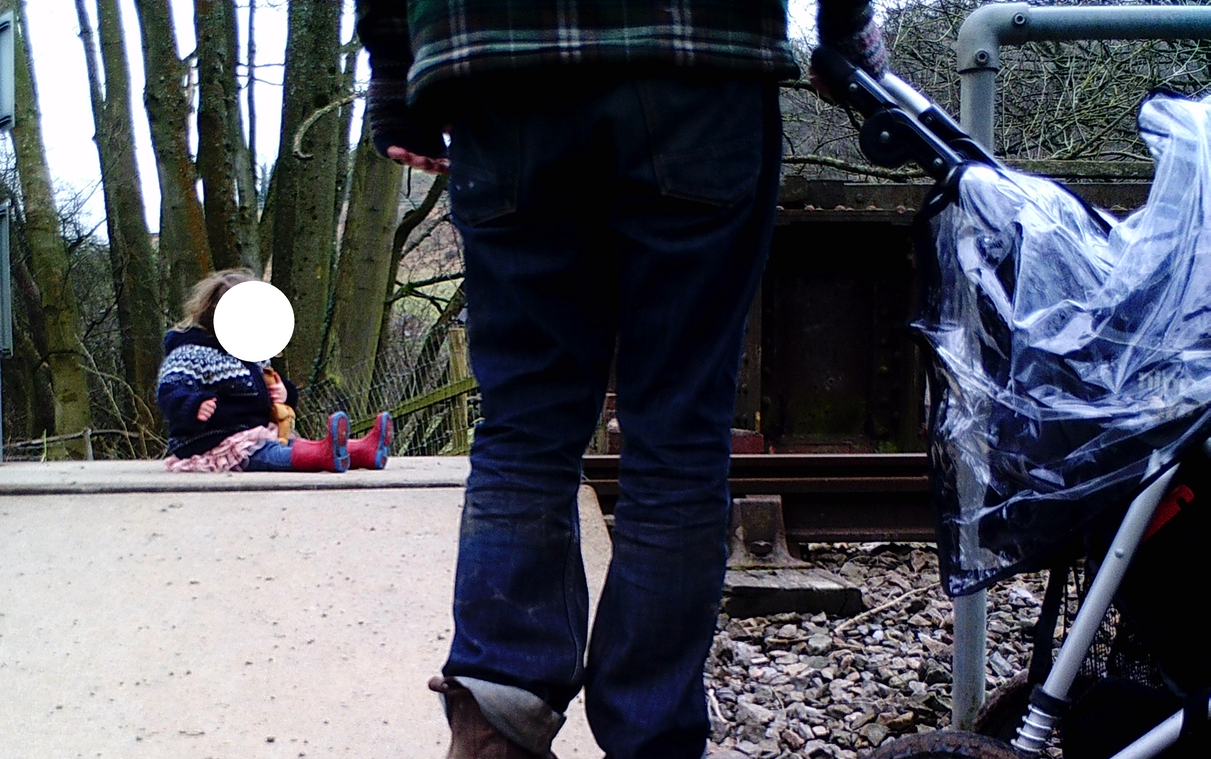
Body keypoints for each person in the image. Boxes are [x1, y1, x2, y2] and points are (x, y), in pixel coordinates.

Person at [356, 3, 888, 758]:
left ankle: (494, 730)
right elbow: (845, 41)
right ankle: (651, 734)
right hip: (698, 62)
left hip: (499, 64)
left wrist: (393, 75)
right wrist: (848, 44)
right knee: (677, 437)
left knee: (524, 428)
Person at [158, 268, 393, 473]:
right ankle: (324, 456)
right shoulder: (192, 352)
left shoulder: (250, 354)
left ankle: (363, 450)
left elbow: (264, 392)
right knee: (270, 453)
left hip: (254, 433)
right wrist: (192, 404)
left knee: (287, 444)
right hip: (212, 442)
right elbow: (169, 390)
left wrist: (284, 393)